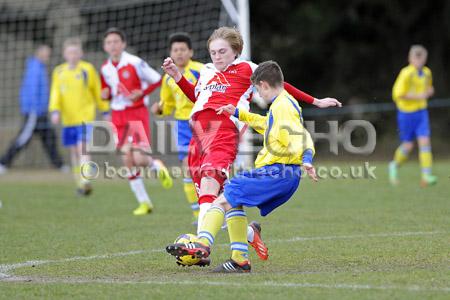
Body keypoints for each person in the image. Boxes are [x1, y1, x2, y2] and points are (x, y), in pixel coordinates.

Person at [162, 27, 340, 259]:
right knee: (218, 200)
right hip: (197, 134)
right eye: (213, 52)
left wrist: (315, 101)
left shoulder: (248, 68)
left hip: (223, 132)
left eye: (222, 51)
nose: (217, 57)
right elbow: (199, 98)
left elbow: (281, 84)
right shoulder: (205, 71)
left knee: (210, 182)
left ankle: (200, 247)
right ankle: (248, 234)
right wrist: (177, 77)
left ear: (236, 50)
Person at [166, 61, 318, 272]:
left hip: (278, 171)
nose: (257, 94)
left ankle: (202, 243)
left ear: (264, 85)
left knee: (221, 201)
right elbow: (266, 124)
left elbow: (301, 137)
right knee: (233, 199)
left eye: (256, 89)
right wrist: (237, 113)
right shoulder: (284, 103)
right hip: (279, 173)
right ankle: (239, 260)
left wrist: (307, 158)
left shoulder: (283, 106)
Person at [100, 27, 173, 215]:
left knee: (139, 158)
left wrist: (142, 93)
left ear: (123, 44)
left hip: (136, 113)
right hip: (118, 116)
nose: (113, 45)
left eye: (116, 41)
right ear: (105, 46)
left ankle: (156, 165)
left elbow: (157, 79)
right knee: (127, 159)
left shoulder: (134, 62)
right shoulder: (105, 68)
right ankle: (144, 202)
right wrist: (105, 95)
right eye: (109, 42)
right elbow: (106, 91)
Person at [151, 32, 203, 225]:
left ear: (191, 51)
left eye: (183, 49)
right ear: (170, 53)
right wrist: (159, 109)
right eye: (175, 50)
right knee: (188, 170)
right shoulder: (168, 78)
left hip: (203, 124)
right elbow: (168, 104)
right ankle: (198, 214)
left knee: (209, 169)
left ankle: (217, 209)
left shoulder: (201, 70)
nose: (179, 53)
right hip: (182, 126)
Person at [49, 38, 110, 195]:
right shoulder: (59, 72)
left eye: (76, 52)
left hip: (85, 117)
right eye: (70, 52)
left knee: (82, 148)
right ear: (64, 54)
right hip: (68, 119)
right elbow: (55, 93)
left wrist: (105, 110)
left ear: (81, 53)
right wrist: (55, 110)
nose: (73, 55)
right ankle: (80, 184)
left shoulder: (87, 69)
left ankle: (86, 179)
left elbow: (97, 91)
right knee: (74, 151)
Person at [0, 45, 65, 174]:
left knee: (49, 138)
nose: (48, 56)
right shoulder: (34, 67)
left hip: (41, 112)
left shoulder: (40, 67)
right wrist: (33, 110)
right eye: (46, 53)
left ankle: (60, 165)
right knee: (23, 139)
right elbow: (31, 90)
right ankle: (3, 163)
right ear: (39, 53)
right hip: (34, 113)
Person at [389, 45, 437, 187]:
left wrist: (430, 91)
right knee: (408, 146)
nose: (419, 62)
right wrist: (418, 96)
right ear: (410, 59)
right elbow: (397, 94)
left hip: (421, 112)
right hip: (406, 114)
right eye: (416, 59)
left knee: (425, 142)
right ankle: (394, 165)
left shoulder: (427, 72)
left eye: (422, 59)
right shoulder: (405, 73)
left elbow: (428, 88)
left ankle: (426, 176)